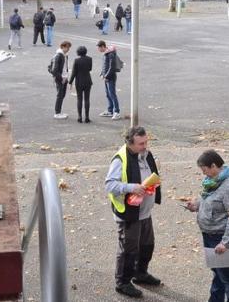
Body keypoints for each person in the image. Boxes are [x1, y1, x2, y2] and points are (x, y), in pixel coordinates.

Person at [105, 126, 162, 298]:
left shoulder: (145, 154)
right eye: (141, 143)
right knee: (129, 250)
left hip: (144, 211)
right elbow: (110, 185)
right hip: (129, 214)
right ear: (130, 143)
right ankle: (122, 283)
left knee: (147, 245)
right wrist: (131, 188)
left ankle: (140, 273)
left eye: (146, 142)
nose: (145, 146)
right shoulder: (120, 160)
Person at [185, 149, 229, 302]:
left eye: (205, 170)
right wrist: (196, 205)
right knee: (218, 273)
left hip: (220, 237)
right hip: (209, 234)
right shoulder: (212, 182)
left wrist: (226, 242)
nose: (204, 174)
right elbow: (209, 199)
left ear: (213, 166)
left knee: (228, 278)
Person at [97, 40, 122, 120]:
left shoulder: (110, 54)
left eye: (99, 48)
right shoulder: (105, 54)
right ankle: (110, 110)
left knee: (112, 94)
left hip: (110, 77)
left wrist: (106, 76)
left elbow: (112, 67)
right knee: (108, 94)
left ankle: (117, 112)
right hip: (106, 77)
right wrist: (102, 74)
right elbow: (105, 65)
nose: (98, 50)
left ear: (103, 46)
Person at [68, 45, 93, 123]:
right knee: (87, 99)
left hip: (79, 82)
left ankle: (79, 117)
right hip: (88, 81)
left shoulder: (76, 60)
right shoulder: (90, 59)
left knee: (79, 99)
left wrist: (70, 82)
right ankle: (87, 117)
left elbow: (73, 73)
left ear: (78, 52)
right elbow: (90, 69)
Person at [51, 40, 71, 119]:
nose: (68, 49)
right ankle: (57, 113)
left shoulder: (64, 55)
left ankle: (59, 112)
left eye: (69, 47)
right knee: (60, 95)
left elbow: (64, 67)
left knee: (62, 95)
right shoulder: (58, 55)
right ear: (62, 47)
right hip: (60, 78)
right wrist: (60, 78)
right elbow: (53, 69)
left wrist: (66, 76)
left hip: (64, 78)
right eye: (67, 47)